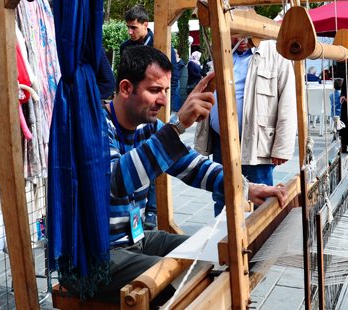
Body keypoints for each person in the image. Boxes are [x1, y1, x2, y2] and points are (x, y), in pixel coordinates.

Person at [91, 45, 287, 305]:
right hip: (98, 255)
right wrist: (177, 124)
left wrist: (247, 187)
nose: (162, 100)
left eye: (165, 90)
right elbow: (116, 181)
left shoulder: (148, 127)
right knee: (180, 279)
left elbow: (192, 165)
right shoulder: (97, 127)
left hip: (135, 239)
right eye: (154, 90)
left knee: (209, 256)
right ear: (126, 88)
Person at [194, 37, 297, 216]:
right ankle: (223, 240)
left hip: (257, 143)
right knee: (222, 195)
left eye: (245, 34)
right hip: (222, 141)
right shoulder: (222, 52)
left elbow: (288, 100)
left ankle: (259, 243)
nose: (240, 39)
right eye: (234, 34)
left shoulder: (276, 54)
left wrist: (282, 147)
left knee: (260, 200)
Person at [119, 5, 180, 228]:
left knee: (155, 157)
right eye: (128, 28)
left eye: (133, 27)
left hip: (154, 113)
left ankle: (152, 210)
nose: (130, 32)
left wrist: (167, 105)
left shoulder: (162, 44)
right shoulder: (126, 47)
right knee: (136, 156)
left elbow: (171, 79)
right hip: (135, 112)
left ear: (145, 25)